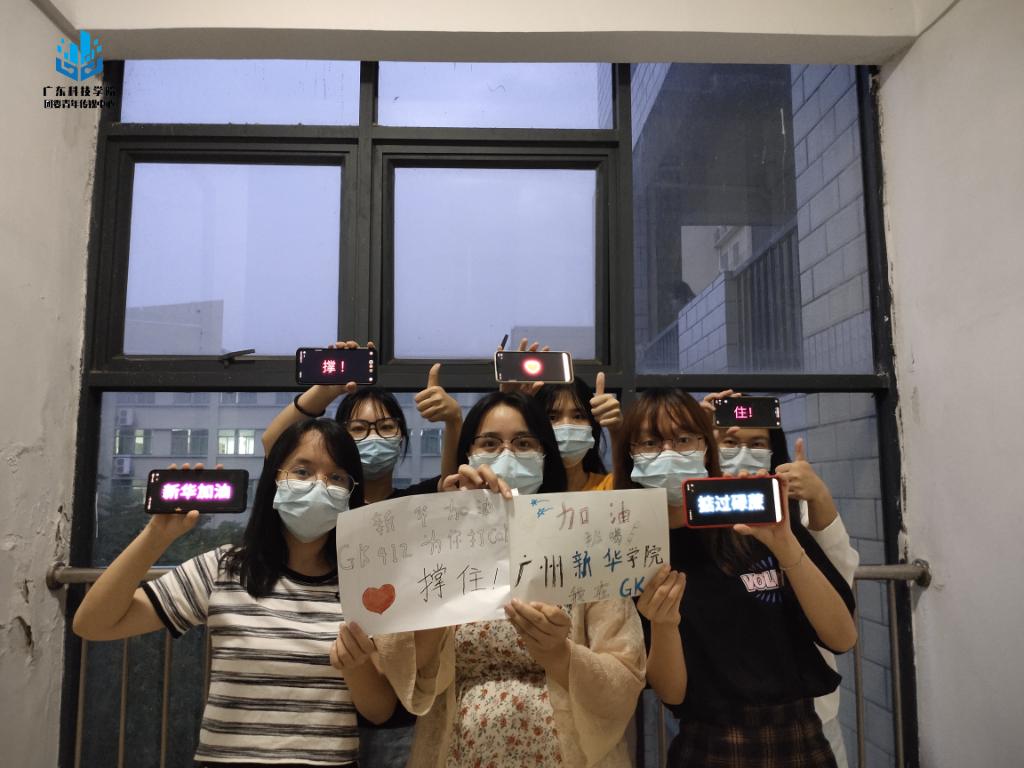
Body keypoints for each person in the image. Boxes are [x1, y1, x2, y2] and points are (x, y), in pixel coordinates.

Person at [73, 419, 395, 767]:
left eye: (337, 477)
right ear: (275, 479)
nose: (319, 485)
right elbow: (93, 624)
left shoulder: (365, 586)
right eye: (302, 471)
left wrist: (355, 666)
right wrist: (156, 536)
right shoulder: (223, 568)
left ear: (350, 493)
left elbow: (379, 711)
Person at [359, 391, 646, 767]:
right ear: (468, 455)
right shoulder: (442, 541)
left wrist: (560, 654)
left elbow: (625, 673)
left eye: (524, 443)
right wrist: (450, 530)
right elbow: (408, 665)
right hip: (458, 751)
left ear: (545, 455)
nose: (507, 455)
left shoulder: (585, 542)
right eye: (490, 444)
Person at [615, 388, 857, 768]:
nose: (668, 452)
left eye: (683, 438)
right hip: (708, 742)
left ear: (705, 446)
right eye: (650, 442)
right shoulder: (635, 550)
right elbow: (673, 694)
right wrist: (664, 623)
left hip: (799, 736)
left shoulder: (756, 517)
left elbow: (842, 637)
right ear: (630, 453)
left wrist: (786, 547)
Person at [702, 389, 859, 767]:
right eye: (729, 442)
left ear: (774, 451)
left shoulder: (790, 512)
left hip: (812, 716)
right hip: (721, 722)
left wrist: (819, 498)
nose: (743, 453)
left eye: (758, 443)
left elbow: (839, 594)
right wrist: (691, 431)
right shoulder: (695, 516)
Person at [262, 341, 463, 502]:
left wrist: (453, 420)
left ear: (401, 436)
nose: (373, 437)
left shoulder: (417, 501)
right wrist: (325, 392)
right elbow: (273, 442)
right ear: (342, 440)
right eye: (358, 428)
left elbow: (454, 483)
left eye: (386, 427)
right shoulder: (326, 503)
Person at [533, 372, 622, 492]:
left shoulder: (609, 487)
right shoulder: (523, 490)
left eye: (578, 416)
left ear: (592, 425)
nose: (566, 426)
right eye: (552, 417)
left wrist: (617, 431)